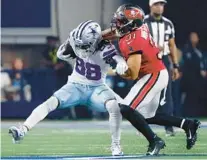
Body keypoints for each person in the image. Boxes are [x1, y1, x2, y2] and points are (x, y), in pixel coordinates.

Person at [9, 20, 130, 156]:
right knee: (50, 103)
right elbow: (61, 54)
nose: (80, 49)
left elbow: (118, 59)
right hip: (75, 86)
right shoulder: (76, 40)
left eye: (83, 45)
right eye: (78, 44)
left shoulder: (105, 48)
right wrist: (71, 42)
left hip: (97, 88)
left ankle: (116, 145)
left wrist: (122, 63)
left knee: (115, 107)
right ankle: (23, 129)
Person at [108, 4, 200, 152]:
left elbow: (132, 74)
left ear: (131, 24)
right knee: (147, 117)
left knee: (125, 108)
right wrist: (98, 38)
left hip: (153, 75)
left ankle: (155, 141)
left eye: (121, 20)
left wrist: (119, 70)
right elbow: (113, 33)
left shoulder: (134, 39)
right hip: (156, 71)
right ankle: (187, 124)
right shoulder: (136, 28)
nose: (118, 23)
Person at [144, 0, 179, 136]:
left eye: (162, 5)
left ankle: (168, 126)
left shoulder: (168, 23)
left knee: (166, 94)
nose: (160, 7)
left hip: (163, 60)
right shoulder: (143, 22)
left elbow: (172, 45)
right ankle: (143, 125)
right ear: (150, 6)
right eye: (157, 4)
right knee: (146, 92)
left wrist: (175, 65)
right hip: (147, 60)